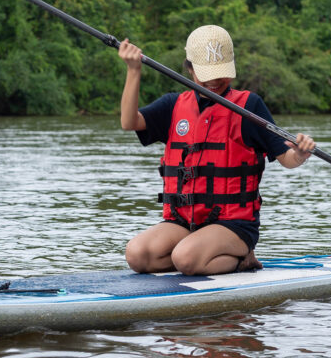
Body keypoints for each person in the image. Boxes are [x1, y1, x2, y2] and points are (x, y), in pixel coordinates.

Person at [119, 24, 316, 276]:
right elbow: (129, 122)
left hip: (233, 224)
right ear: (189, 68)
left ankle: (242, 256)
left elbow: (287, 158)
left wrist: (300, 153)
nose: (213, 81)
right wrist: (133, 70)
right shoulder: (173, 105)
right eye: (205, 73)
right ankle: (196, 254)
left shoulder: (249, 106)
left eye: (220, 73)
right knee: (137, 255)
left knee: (185, 257)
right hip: (184, 221)